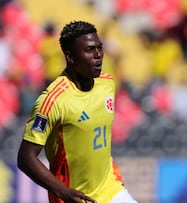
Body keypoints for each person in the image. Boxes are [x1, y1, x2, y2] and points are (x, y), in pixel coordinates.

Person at [17, 20, 137, 203]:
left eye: (100, 47)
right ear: (71, 57)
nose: (98, 55)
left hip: (111, 190)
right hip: (74, 198)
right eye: (89, 50)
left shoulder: (107, 83)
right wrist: (64, 192)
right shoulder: (53, 101)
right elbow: (26, 158)